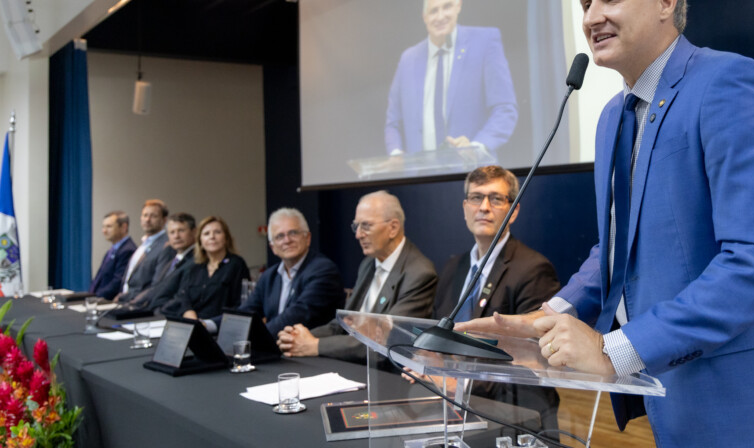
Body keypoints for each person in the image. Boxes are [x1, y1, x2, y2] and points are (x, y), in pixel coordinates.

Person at [459, 0, 754, 446]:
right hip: (671, 393)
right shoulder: (610, 117)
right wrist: (548, 316)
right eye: (585, 3)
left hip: (748, 398)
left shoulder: (730, 83)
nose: (592, 16)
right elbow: (616, 250)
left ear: (666, 1)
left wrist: (615, 350)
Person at [432, 165, 560, 430]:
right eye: (476, 197)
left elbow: (531, 362)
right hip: (450, 408)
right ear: (465, 207)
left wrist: (459, 383)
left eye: (496, 199)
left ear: (514, 210)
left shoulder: (533, 269)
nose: (484, 207)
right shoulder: (452, 268)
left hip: (514, 417)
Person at [276, 191, 437, 363]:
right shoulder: (368, 264)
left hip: (386, 373)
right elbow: (345, 324)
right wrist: (297, 338)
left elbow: (386, 343)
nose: (358, 235)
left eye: (366, 226)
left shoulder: (419, 274)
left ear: (393, 228)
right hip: (350, 362)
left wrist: (315, 345)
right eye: (356, 226)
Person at [385, 0, 517, 155]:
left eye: (446, 7)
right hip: (420, 171)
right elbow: (393, 122)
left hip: (473, 169)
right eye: (434, 10)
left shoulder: (485, 42)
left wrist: (476, 147)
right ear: (424, 16)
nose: (440, 16)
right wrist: (395, 153)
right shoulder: (408, 59)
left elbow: (505, 109)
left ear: (458, 6)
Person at [209, 208, 345, 336]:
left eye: (293, 233)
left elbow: (296, 316)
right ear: (273, 247)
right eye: (279, 236)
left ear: (307, 238)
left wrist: (255, 339)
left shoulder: (323, 270)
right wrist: (208, 325)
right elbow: (246, 311)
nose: (287, 240)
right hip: (277, 346)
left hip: (311, 349)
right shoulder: (269, 276)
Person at [160, 215, 249, 320]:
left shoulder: (236, 264)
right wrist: (193, 318)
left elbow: (240, 304)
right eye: (206, 234)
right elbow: (184, 298)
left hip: (220, 324)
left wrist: (208, 324)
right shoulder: (194, 267)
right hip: (192, 322)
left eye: (217, 232)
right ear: (200, 241)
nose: (212, 237)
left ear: (226, 238)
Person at [127, 212, 197, 311]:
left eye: (181, 231)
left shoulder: (196, 260)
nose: (176, 236)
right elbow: (158, 288)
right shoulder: (173, 260)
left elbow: (180, 296)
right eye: (172, 232)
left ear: (194, 232)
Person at [118, 199, 170, 302]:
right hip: (125, 301)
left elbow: (157, 285)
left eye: (153, 216)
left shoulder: (166, 246)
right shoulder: (143, 244)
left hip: (141, 304)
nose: (147, 219)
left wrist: (134, 301)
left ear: (164, 220)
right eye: (145, 215)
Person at [88, 211, 136, 300]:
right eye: (103, 227)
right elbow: (99, 278)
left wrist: (96, 297)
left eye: (109, 226)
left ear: (124, 227)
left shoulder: (128, 250)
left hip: (109, 301)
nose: (104, 231)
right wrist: (89, 296)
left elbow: (117, 282)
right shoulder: (112, 250)